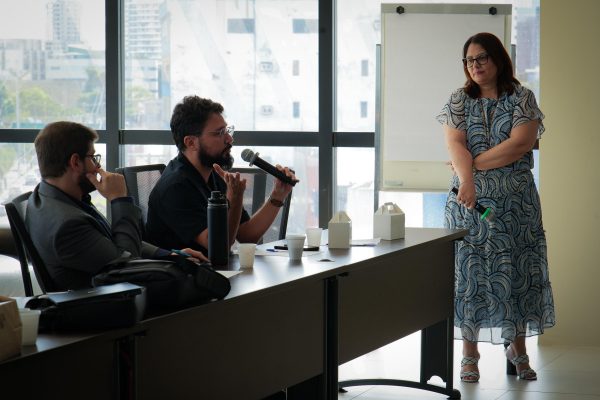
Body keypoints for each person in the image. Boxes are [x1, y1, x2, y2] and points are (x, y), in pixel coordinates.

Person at [436, 32, 555, 382]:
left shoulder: (522, 98)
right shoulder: (458, 99)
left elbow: (520, 144)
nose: (475, 66)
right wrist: (468, 179)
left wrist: (468, 167)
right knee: (469, 274)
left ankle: (517, 349)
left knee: (515, 271)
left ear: (499, 59)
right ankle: (468, 354)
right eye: (469, 61)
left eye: (482, 58)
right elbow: (454, 144)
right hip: (468, 202)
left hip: (516, 204)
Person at [26, 121, 206, 290]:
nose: (98, 166)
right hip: (106, 307)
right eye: (93, 158)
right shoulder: (67, 224)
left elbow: (111, 245)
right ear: (75, 162)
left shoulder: (51, 197)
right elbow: (128, 262)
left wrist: (168, 255)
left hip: (115, 291)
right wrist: (120, 199)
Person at [145, 95, 296, 255]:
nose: (229, 139)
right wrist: (234, 198)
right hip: (182, 276)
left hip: (211, 272)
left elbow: (247, 235)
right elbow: (218, 246)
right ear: (191, 142)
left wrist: (278, 195)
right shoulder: (175, 187)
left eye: (227, 130)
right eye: (219, 133)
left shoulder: (214, 175)